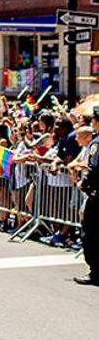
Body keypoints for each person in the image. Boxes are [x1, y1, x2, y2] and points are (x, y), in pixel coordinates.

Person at [75, 108, 99, 286]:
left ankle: (95, 272)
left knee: (90, 234)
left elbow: (94, 168)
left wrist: (84, 184)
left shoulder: (96, 143)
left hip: (97, 196)